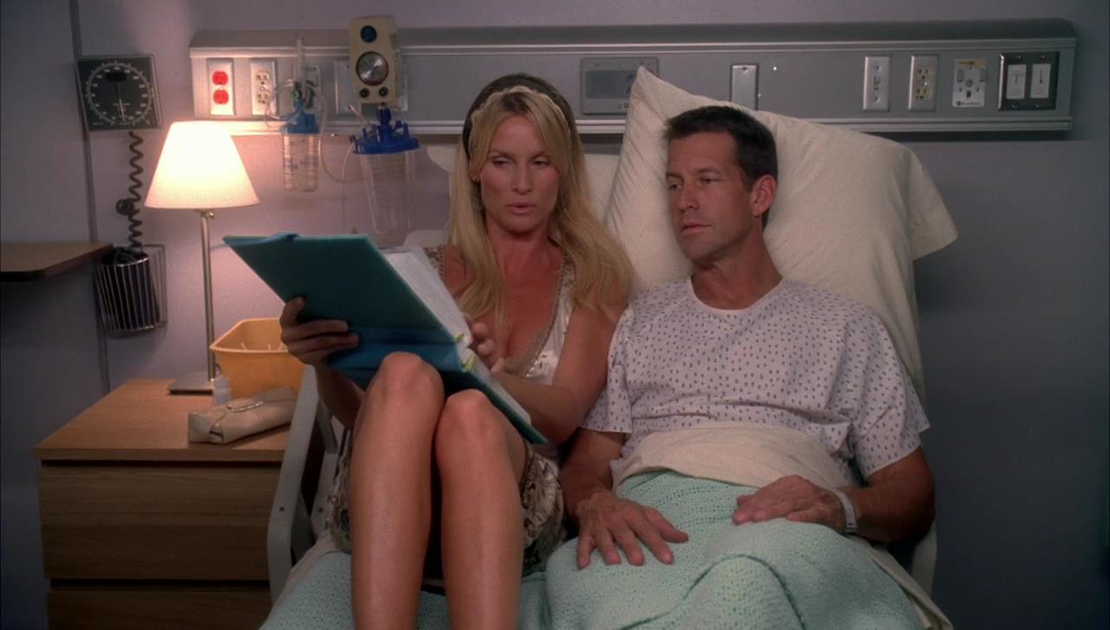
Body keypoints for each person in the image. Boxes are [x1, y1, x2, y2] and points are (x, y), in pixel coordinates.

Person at [557, 105, 937, 623]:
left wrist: (839, 506)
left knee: (744, 585)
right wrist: (595, 504)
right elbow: (585, 466)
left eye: (706, 180)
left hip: (784, 534)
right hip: (655, 532)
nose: (684, 202)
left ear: (760, 195)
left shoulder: (847, 328)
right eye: (673, 185)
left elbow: (913, 495)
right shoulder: (639, 321)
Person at [279, 73, 629, 629]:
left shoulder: (593, 278)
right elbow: (365, 415)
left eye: (540, 162)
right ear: (474, 168)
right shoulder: (420, 269)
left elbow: (563, 414)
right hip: (388, 504)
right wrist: (324, 361)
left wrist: (486, 377)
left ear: (563, 171)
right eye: (502, 162)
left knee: (470, 411)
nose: (521, 183)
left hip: (512, 507)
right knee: (401, 374)